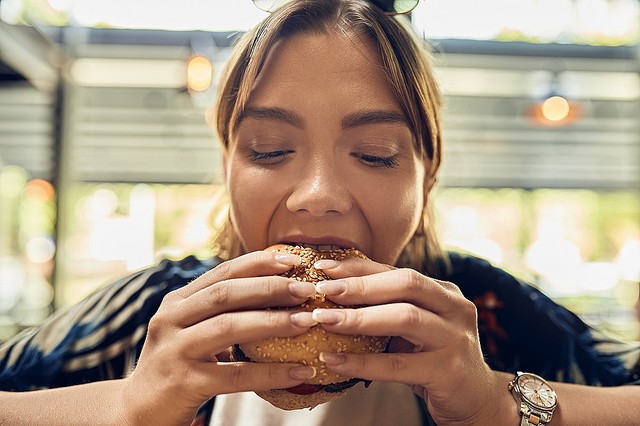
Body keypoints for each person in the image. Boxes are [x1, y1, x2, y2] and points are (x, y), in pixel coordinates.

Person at [1, 0, 639, 424]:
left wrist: (504, 405)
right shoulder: (157, 316)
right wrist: (123, 406)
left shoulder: (485, 316)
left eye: (376, 154)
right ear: (229, 166)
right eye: (270, 149)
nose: (317, 194)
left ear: (427, 177)